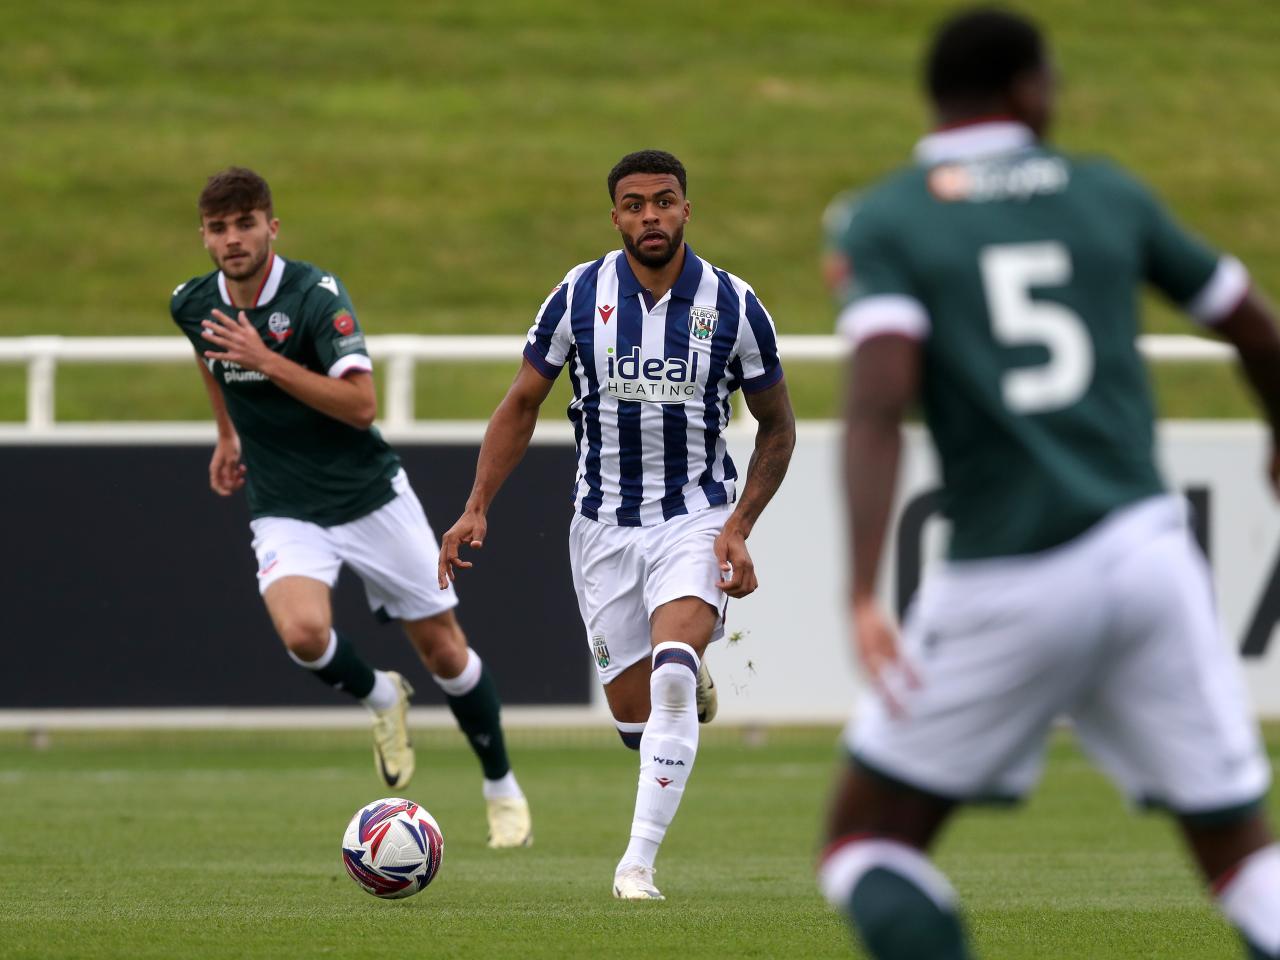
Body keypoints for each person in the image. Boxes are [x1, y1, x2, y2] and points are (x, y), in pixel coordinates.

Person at [818, 9, 1280, 959]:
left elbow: (879, 401)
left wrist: (862, 585)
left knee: (864, 844)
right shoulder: (1106, 192)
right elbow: (1250, 323)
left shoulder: (888, 218)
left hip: (1010, 569)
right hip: (1150, 555)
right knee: (1243, 857)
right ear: (1028, 89)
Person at [437, 149, 796, 899]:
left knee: (671, 678)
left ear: (686, 209)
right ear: (616, 217)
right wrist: (476, 505)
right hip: (601, 528)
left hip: (694, 516)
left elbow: (777, 426)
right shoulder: (577, 295)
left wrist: (739, 525)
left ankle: (637, 865)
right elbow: (522, 403)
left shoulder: (734, 305)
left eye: (664, 201)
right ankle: (683, 673)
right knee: (637, 724)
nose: (650, 216)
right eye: (635, 205)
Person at [169, 167, 532, 848]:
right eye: (218, 228)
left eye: (245, 223)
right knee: (304, 634)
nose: (233, 238)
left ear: (272, 227)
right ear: (205, 237)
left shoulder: (315, 296)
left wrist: (267, 360)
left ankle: (501, 787)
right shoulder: (191, 303)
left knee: (446, 653)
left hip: (369, 496)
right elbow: (208, 355)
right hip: (284, 504)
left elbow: (362, 404)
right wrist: (226, 433)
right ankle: (381, 697)